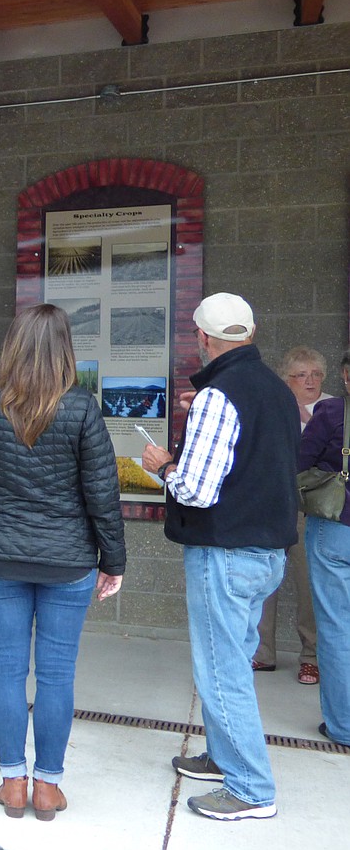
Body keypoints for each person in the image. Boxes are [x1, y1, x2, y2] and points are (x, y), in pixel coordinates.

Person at [0, 304, 124, 822]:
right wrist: (114, 560)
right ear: (65, 347)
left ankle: (12, 783)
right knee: (56, 677)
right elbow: (102, 495)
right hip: (68, 562)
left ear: (15, 345)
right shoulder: (82, 407)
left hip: (0, 556)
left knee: (5, 671)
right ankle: (48, 787)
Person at [142, 292, 299, 822]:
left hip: (225, 554)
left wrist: (163, 465)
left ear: (203, 339)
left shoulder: (217, 395)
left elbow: (196, 490)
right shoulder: (277, 390)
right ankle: (223, 757)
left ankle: (251, 788)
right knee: (235, 660)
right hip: (266, 552)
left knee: (221, 671)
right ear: (249, 333)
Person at [253, 346, 329, 682]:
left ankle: (310, 656)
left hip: (309, 508)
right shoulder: (274, 405)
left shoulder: (332, 408)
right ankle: (261, 652)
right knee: (264, 580)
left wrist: (309, 421)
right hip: (272, 503)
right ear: (287, 380)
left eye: (316, 374)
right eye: (302, 375)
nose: (310, 380)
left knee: (307, 584)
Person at [296, 346, 350, 744]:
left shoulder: (332, 414)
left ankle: (344, 725)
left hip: (337, 528)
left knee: (335, 627)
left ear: (346, 378)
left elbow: (298, 459)